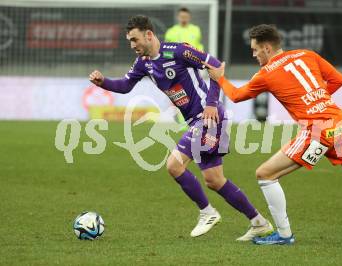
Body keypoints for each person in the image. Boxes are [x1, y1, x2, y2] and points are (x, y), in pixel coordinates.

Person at [204, 24, 342, 245]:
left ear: (267, 49)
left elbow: (236, 95)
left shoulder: (266, 74)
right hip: (339, 124)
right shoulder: (307, 55)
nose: (254, 54)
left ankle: (283, 235)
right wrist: (316, 100)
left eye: (255, 49)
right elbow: (339, 79)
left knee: (265, 174)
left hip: (317, 131)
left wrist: (219, 78)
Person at [88, 15, 273, 240]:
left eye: (135, 39)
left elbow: (215, 65)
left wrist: (213, 104)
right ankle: (259, 222)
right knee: (214, 180)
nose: (132, 45)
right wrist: (103, 82)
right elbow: (126, 85)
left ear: (149, 35)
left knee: (174, 165)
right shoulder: (143, 63)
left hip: (208, 117)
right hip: (197, 121)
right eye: (129, 41)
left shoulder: (178, 51)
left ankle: (207, 213)